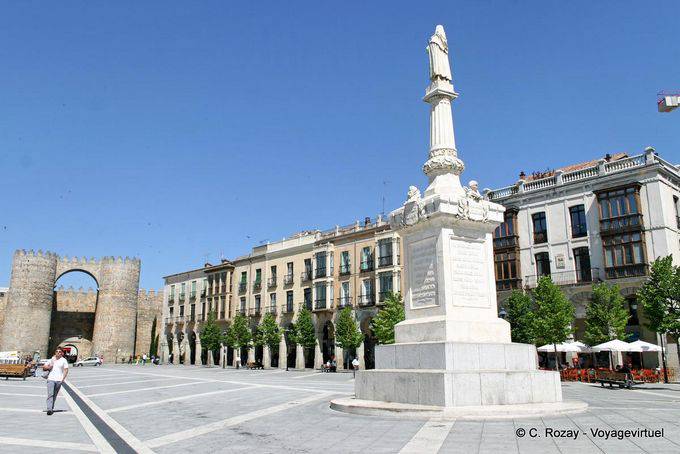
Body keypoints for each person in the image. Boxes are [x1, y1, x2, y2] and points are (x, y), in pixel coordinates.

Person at [43, 347, 69, 416]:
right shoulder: (51, 359)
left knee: (54, 395)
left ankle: (51, 407)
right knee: (50, 394)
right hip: (51, 379)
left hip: (59, 380)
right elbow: (44, 367)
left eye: (59, 351)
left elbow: (66, 370)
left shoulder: (64, 360)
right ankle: (49, 409)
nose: (58, 352)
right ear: (55, 352)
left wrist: (62, 379)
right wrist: (49, 367)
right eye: (57, 351)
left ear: (62, 353)